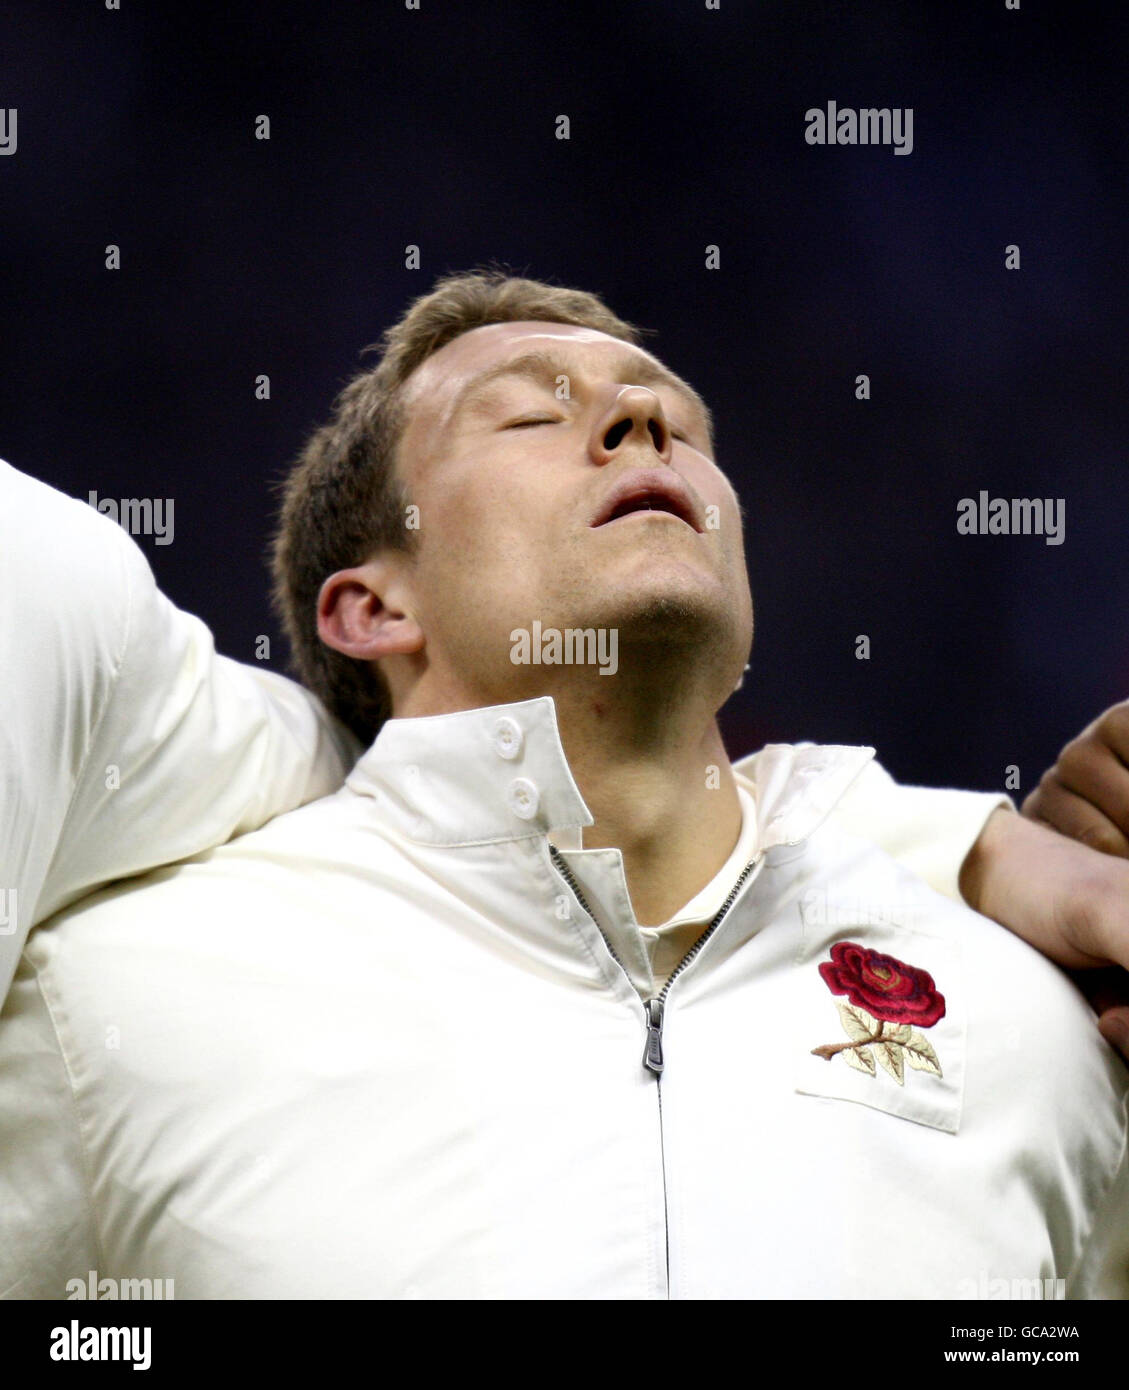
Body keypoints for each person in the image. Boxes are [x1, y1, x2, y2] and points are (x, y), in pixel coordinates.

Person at [1, 271, 1127, 1299]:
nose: (642, 424)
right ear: (373, 607)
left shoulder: (1031, 1026)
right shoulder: (117, 1004)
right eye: (531, 413)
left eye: (678, 425)